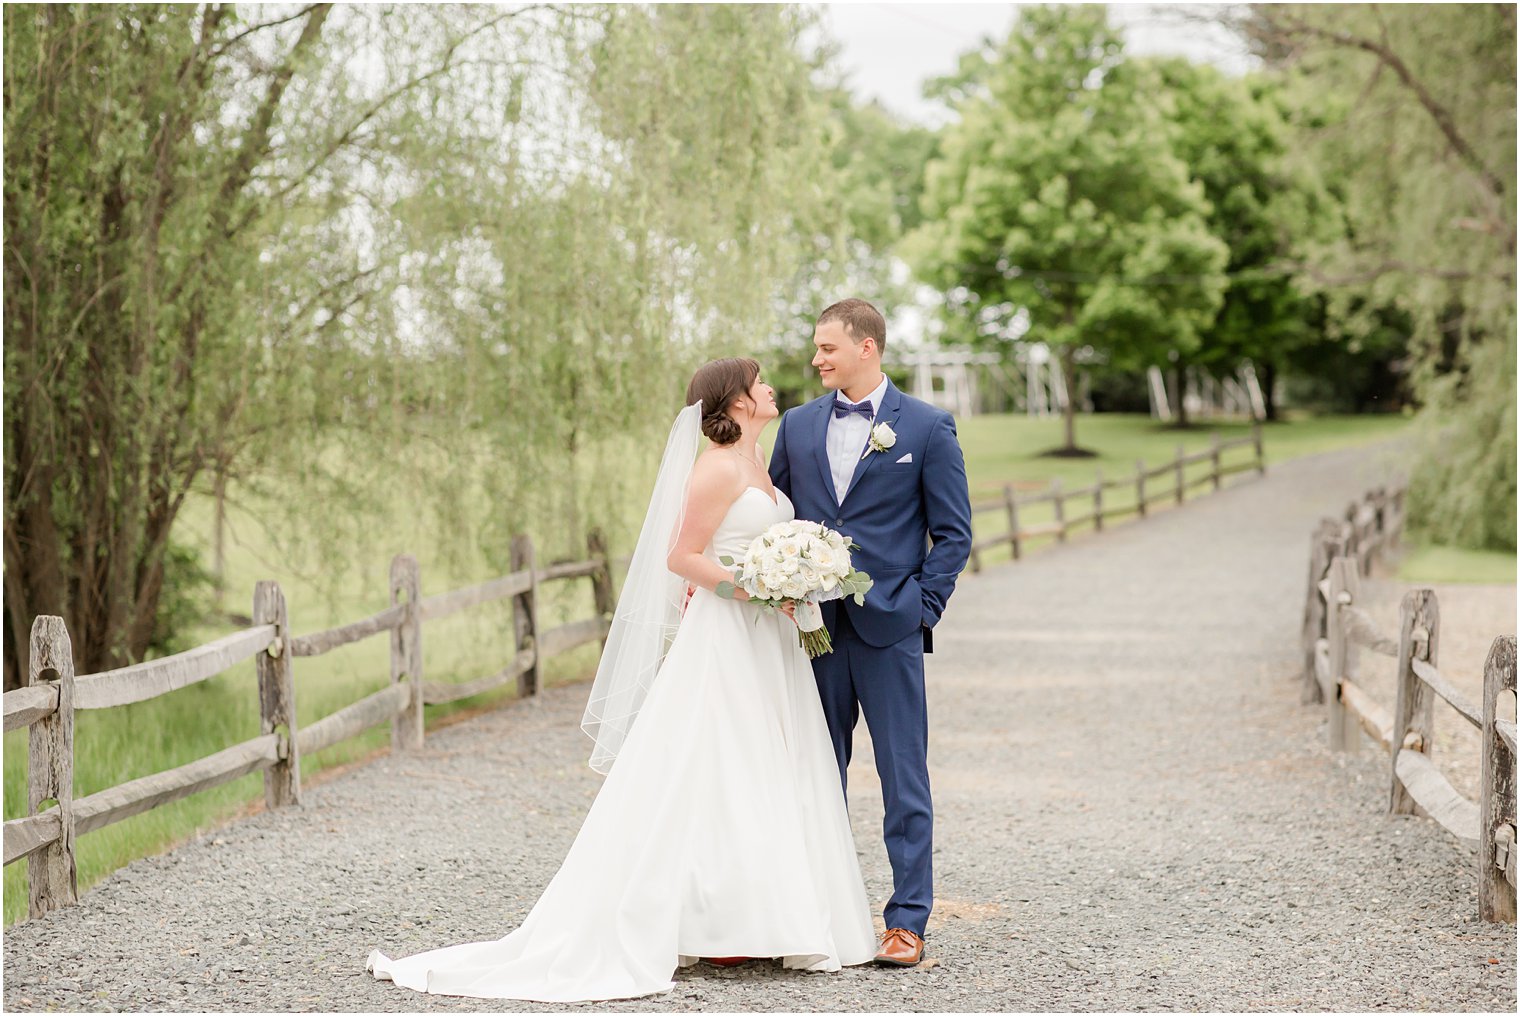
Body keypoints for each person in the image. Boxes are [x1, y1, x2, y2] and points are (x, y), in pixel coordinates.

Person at [366, 357, 876, 1003]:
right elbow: (681, 556)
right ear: (738, 400)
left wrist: (796, 578)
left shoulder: (756, 463)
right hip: (728, 633)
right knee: (719, 762)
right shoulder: (715, 467)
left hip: (770, 637)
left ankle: (769, 917)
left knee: (770, 762)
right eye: (761, 380)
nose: (772, 386)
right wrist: (753, 585)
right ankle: (705, 920)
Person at [768, 298, 973, 968]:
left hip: (890, 629)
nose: (817, 358)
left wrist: (921, 608)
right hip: (812, 631)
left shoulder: (927, 426)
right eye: (816, 348)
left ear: (867, 348)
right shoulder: (796, 427)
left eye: (828, 347)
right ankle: (812, 915)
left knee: (902, 776)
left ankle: (906, 922)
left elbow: (954, 533)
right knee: (814, 775)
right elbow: (773, 515)